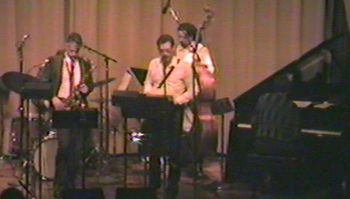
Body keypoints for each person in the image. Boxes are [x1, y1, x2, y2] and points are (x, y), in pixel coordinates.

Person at [38, 32, 94, 198]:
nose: (73, 50)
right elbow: (43, 84)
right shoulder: (55, 62)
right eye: (71, 46)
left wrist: (87, 89)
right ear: (66, 45)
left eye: (76, 47)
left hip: (77, 108)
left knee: (77, 150)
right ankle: (59, 187)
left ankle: (72, 186)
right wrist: (53, 99)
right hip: (60, 105)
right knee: (64, 147)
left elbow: (88, 85)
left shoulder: (83, 64)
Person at [143, 34, 198, 199]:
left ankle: (172, 186)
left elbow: (193, 89)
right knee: (153, 148)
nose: (165, 54)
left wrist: (179, 100)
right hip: (156, 110)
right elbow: (147, 82)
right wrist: (148, 92)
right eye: (162, 51)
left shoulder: (184, 66)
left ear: (173, 48)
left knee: (174, 150)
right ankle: (154, 184)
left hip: (174, 110)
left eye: (167, 50)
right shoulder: (153, 63)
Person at [176, 22, 217, 177]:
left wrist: (198, 65)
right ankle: (184, 161)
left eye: (182, 37)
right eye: (178, 36)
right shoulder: (179, 50)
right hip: (183, 91)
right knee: (184, 128)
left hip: (198, 93)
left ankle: (197, 161)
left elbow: (210, 70)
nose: (179, 40)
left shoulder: (201, 50)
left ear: (191, 37)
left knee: (197, 129)